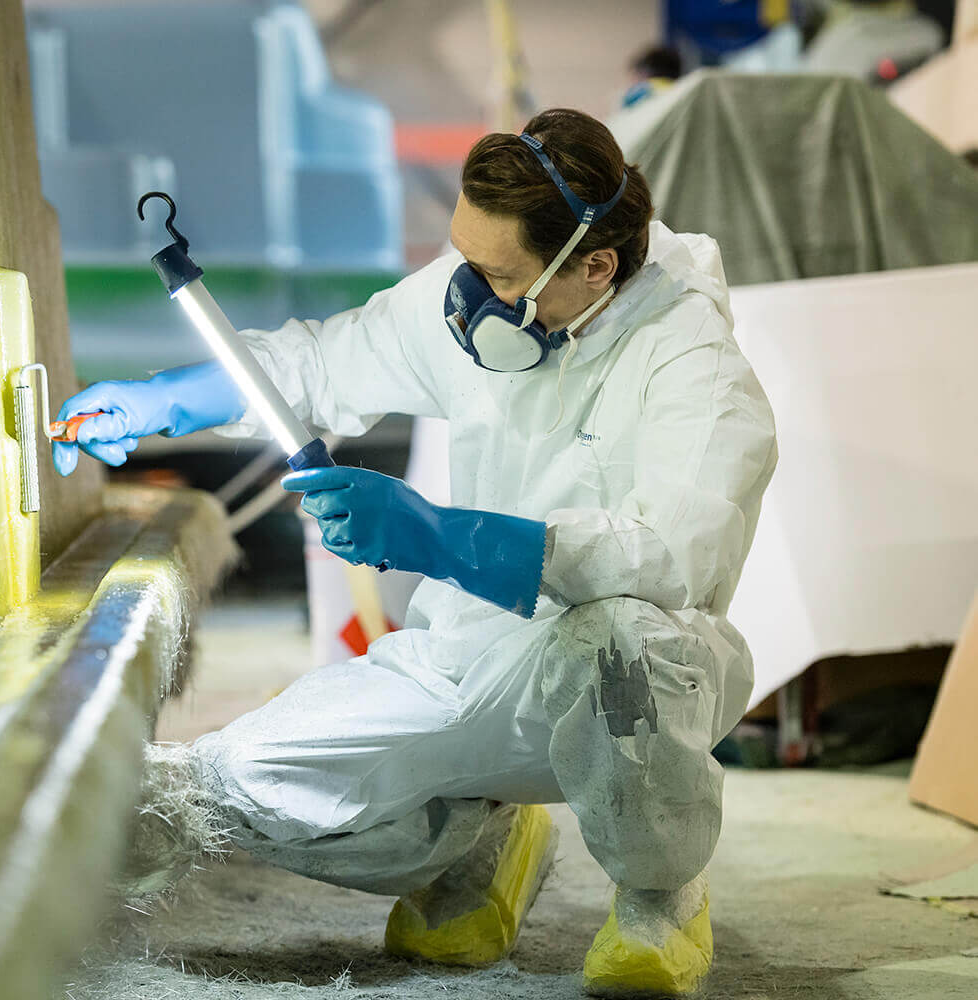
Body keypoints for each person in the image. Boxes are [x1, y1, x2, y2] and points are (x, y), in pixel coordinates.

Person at [53, 107, 777, 998]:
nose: (464, 294)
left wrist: (442, 537)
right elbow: (325, 365)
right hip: (457, 657)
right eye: (464, 258)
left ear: (595, 268)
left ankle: (660, 896)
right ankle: (481, 841)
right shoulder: (480, 295)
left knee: (625, 645)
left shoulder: (692, 362)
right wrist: (174, 400)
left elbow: (675, 554)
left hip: (609, 669)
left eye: (493, 273)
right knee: (234, 784)